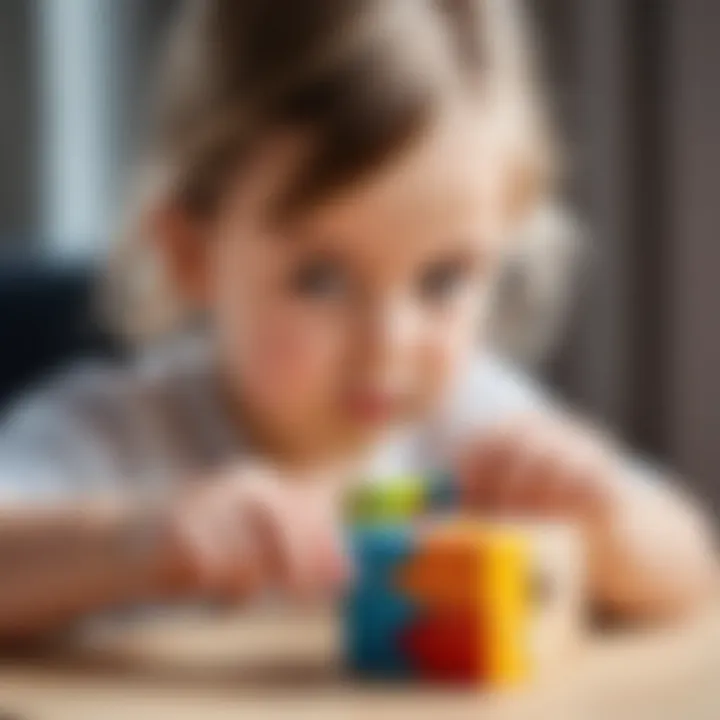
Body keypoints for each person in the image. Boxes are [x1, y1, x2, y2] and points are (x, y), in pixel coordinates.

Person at [0, 0, 715, 642]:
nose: (389, 345)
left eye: (443, 279)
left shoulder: (473, 425)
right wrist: (131, 541)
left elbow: (695, 570)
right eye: (321, 280)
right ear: (193, 254)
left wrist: (605, 516)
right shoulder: (113, 436)